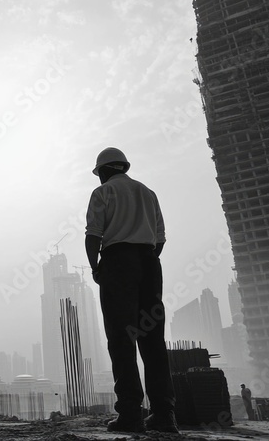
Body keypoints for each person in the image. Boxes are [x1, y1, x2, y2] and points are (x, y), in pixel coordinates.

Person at [85, 147, 177, 434]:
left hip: (117, 264)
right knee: (153, 341)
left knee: (121, 340)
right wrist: (147, 260)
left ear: (103, 171)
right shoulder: (148, 193)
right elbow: (160, 239)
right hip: (149, 264)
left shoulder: (103, 194)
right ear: (123, 166)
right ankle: (164, 415)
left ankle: (130, 414)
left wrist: (96, 267)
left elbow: (93, 236)